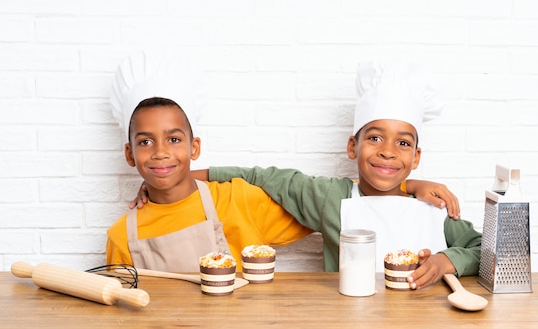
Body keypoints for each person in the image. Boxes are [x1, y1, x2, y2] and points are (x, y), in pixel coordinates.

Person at [190, 59, 482, 289]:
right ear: (353, 146)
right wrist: (182, 177)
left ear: (416, 156)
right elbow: (263, 177)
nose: (388, 151)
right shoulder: (332, 198)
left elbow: (483, 250)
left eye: (403, 143)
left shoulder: (434, 206)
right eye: (375, 138)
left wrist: (446, 261)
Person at [106, 52, 315, 272]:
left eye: (174, 139)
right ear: (130, 154)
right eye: (146, 141)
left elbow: (321, 209)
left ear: (194, 148)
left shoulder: (238, 200)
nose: (160, 152)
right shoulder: (122, 236)